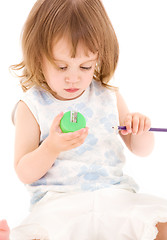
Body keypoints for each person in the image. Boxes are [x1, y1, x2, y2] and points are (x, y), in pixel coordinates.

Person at [6, 0, 167, 239]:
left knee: (158, 223)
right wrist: (51, 147)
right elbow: (24, 172)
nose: (73, 78)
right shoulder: (31, 106)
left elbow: (141, 150)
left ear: (98, 57)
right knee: (38, 233)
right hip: (59, 204)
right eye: (61, 67)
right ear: (38, 57)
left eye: (84, 66)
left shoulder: (108, 96)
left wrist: (141, 130)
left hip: (115, 197)